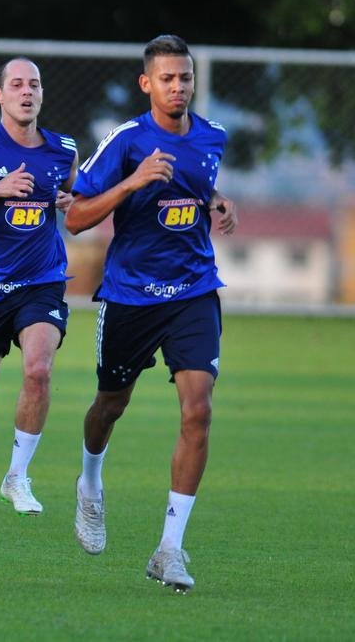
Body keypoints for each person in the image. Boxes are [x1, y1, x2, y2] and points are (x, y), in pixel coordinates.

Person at [65, 34, 238, 593]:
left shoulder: (213, 137)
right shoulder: (125, 142)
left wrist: (216, 202)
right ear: (147, 84)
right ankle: (89, 482)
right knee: (110, 405)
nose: (178, 86)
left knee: (199, 410)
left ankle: (170, 548)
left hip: (193, 292)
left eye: (185, 77)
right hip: (132, 296)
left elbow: (195, 186)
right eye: (167, 78)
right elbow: (76, 218)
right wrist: (134, 181)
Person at [0, 57, 78, 515]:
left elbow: (77, 195)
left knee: (39, 371)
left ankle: (17, 476)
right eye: (18, 84)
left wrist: (72, 200)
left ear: (42, 95)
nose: (28, 91)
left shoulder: (63, 148)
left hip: (41, 281)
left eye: (35, 84)